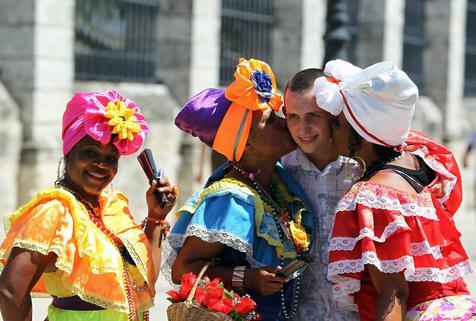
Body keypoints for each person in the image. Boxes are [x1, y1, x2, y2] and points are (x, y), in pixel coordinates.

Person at [315, 59, 476, 320]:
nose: (331, 131)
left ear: (363, 133)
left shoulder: (374, 195)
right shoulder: (421, 161)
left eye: (339, 124)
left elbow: (394, 294)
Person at [0, 90, 178, 321]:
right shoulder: (56, 211)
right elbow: (10, 290)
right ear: (69, 153)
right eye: (91, 153)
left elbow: (142, 284)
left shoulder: (113, 208)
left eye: (111, 158)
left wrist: (156, 217)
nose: (101, 165)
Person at [162, 58, 315, 321]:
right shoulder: (232, 199)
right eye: (269, 122)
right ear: (246, 145)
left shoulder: (278, 185)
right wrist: (248, 278)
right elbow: (183, 269)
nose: (282, 123)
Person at [280, 69, 360, 321]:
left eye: (313, 116)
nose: (303, 129)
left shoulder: (361, 168)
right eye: (293, 117)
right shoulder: (279, 170)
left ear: (332, 115)